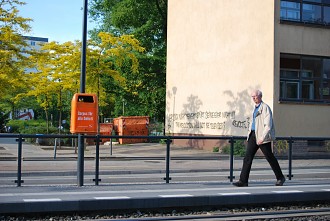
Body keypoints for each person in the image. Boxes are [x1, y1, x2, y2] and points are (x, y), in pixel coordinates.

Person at [233, 90, 285, 187]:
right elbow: (253, 122)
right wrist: (249, 134)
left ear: (260, 96)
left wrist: (262, 138)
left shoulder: (265, 108)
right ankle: (243, 181)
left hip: (261, 136)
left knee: (269, 157)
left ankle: (280, 177)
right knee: (247, 157)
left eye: (255, 96)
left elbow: (268, 125)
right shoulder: (254, 108)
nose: (253, 98)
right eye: (252, 96)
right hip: (253, 135)